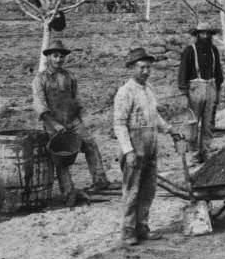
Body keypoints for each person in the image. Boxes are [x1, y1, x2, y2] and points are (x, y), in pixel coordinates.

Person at [31, 39, 113, 204]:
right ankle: (68, 191)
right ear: (48, 57)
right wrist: (55, 125)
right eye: (55, 56)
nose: (59, 59)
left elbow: (76, 99)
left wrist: (80, 119)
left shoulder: (69, 76)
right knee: (62, 156)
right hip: (53, 124)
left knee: (90, 144)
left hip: (73, 120)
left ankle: (100, 181)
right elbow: (39, 105)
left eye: (61, 56)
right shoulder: (40, 79)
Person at [113, 47, 179, 247]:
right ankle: (128, 231)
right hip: (134, 144)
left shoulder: (148, 90)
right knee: (132, 191)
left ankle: (142, 227)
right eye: (142, 67)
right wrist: (128, 151)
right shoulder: (125, 92)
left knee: (148, 190)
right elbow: (119, 124)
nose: (146, 71)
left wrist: (169, 129)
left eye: (148, 67)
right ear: (132, 68)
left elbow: (154, 116)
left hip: (150, 144)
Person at [177, 21, 224, 165]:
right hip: (195, 90)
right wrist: (184, 94)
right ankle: (193, 155)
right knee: (192, 124)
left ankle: (205, 152)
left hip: (211, 87)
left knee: (208, 123)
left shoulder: (214, 50)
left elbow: (218, 73)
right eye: (202, 33)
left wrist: (218, 91)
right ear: (197, 35)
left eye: (208, 33)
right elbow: (183, 73)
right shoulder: (190, 51)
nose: (205, 36)